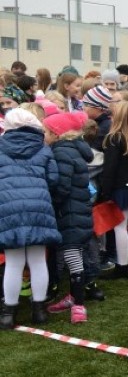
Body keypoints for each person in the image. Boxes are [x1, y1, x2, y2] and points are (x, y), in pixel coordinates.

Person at [0, 109, 61, 329]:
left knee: (14, 263)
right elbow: (53, 179)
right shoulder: (43, 149)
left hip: (8, 207)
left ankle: (9, 313)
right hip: (39, 205)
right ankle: (39, 310)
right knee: (37, 260)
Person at [43, 112, 93, 323]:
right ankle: (74, 295)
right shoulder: (73, 150)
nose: (43, 135)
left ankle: (79, 305)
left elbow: (62, 186)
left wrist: (51, 201)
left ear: (56, 134)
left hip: (70, 213)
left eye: (45, 131)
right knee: (76, 255)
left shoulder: (62, 152)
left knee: (73, 258)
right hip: (78, 210)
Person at [98, 101, 128, 279]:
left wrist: (106, 190)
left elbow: (110, 168)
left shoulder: (115, 138)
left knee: (120, 226)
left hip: (121, 186)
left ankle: (122, 265)